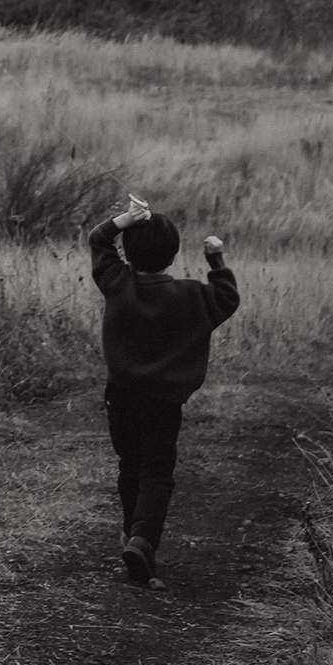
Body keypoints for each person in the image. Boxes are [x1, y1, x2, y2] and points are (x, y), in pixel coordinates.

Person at [88, 188, 238, 588]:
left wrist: (126, 219)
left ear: (129, 253)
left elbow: (97, 240)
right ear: (173, 257)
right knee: (157, 471)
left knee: (130, 465)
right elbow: (228, 297)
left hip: (120, 395)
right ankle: (143, 539)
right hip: (165, 402)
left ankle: (130, 532)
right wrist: (214, 258)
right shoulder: (192, 296)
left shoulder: (118, 283)